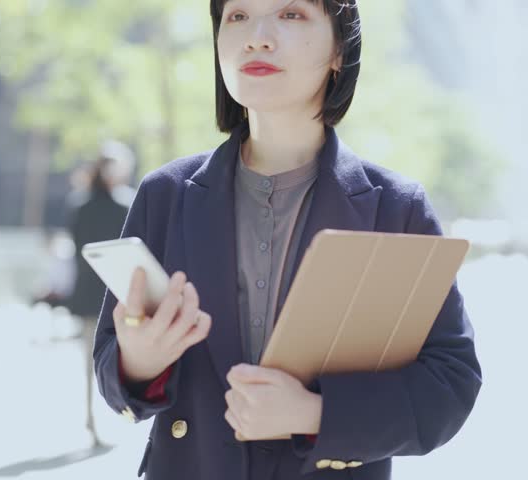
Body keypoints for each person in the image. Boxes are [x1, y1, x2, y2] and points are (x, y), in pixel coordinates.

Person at [93, 1, 482, 478]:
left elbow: (450, 383)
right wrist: (137, 362)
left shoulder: (395, 208)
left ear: (340, 47)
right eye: (237, 16)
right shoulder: (164, 195)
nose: (257, 36)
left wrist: (313, 415)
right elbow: (112, 371)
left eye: (291, 14)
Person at [67, 154, 130, 446]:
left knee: (96, 363)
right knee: (105, 362)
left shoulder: (85, 205)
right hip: (112, 296)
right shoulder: (119, 205)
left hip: (100, 295)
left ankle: (98, 420)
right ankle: (100, 421)